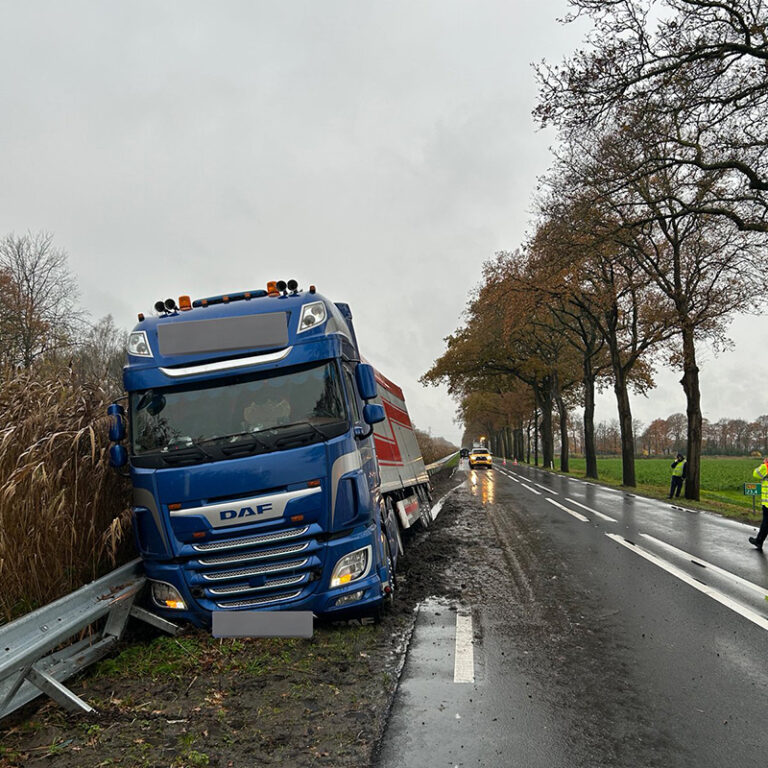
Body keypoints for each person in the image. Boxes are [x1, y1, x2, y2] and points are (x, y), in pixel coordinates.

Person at [748, 459, 768, 551]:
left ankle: (759, 541)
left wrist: (764, 464)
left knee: (766, 522)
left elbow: (755, 473)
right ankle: (759, 541)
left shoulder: (766, 467)